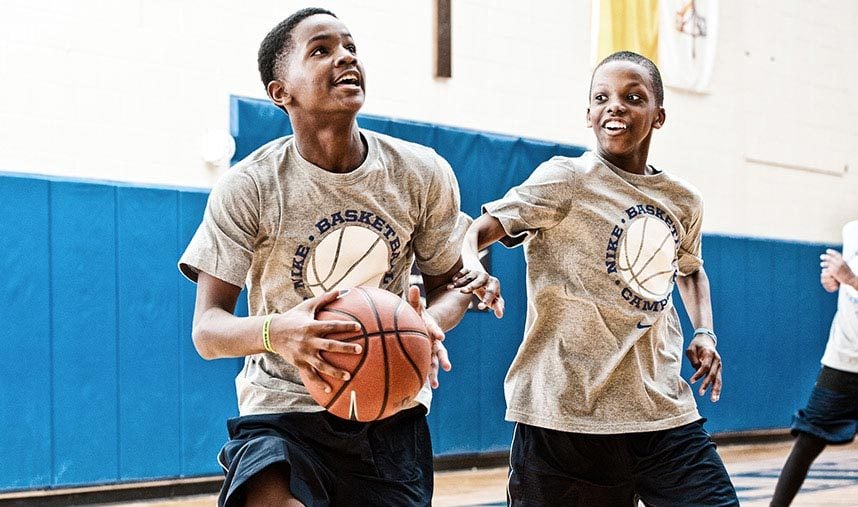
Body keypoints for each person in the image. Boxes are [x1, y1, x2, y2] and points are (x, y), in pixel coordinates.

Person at [178, 8, 494, 506]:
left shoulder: (420, 173)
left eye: (350, 47)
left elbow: (451, 286)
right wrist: (275, 331)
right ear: (281, 92)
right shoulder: (250, 187)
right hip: (283, 409)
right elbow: (207, 331)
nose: (345, 57)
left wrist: (427, 323)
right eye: (321, 50)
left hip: (388, 406)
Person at [454, 51, 738, 505]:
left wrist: (705, 332)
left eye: (633, 96)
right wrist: (471, 260)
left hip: (659, 408)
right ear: (588, 114)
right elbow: (483, 228)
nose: (615, 106)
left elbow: (690, 269)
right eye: (601, 97)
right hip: (564, 414)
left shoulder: (683, 200)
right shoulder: (566, 178)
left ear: (658, 115)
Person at [770, 220, 858, 506]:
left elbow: (853, 279)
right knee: (809, 440)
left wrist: (851, 279)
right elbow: (846, 286)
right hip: (843, 358)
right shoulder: (852, 230)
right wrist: (834, 281)